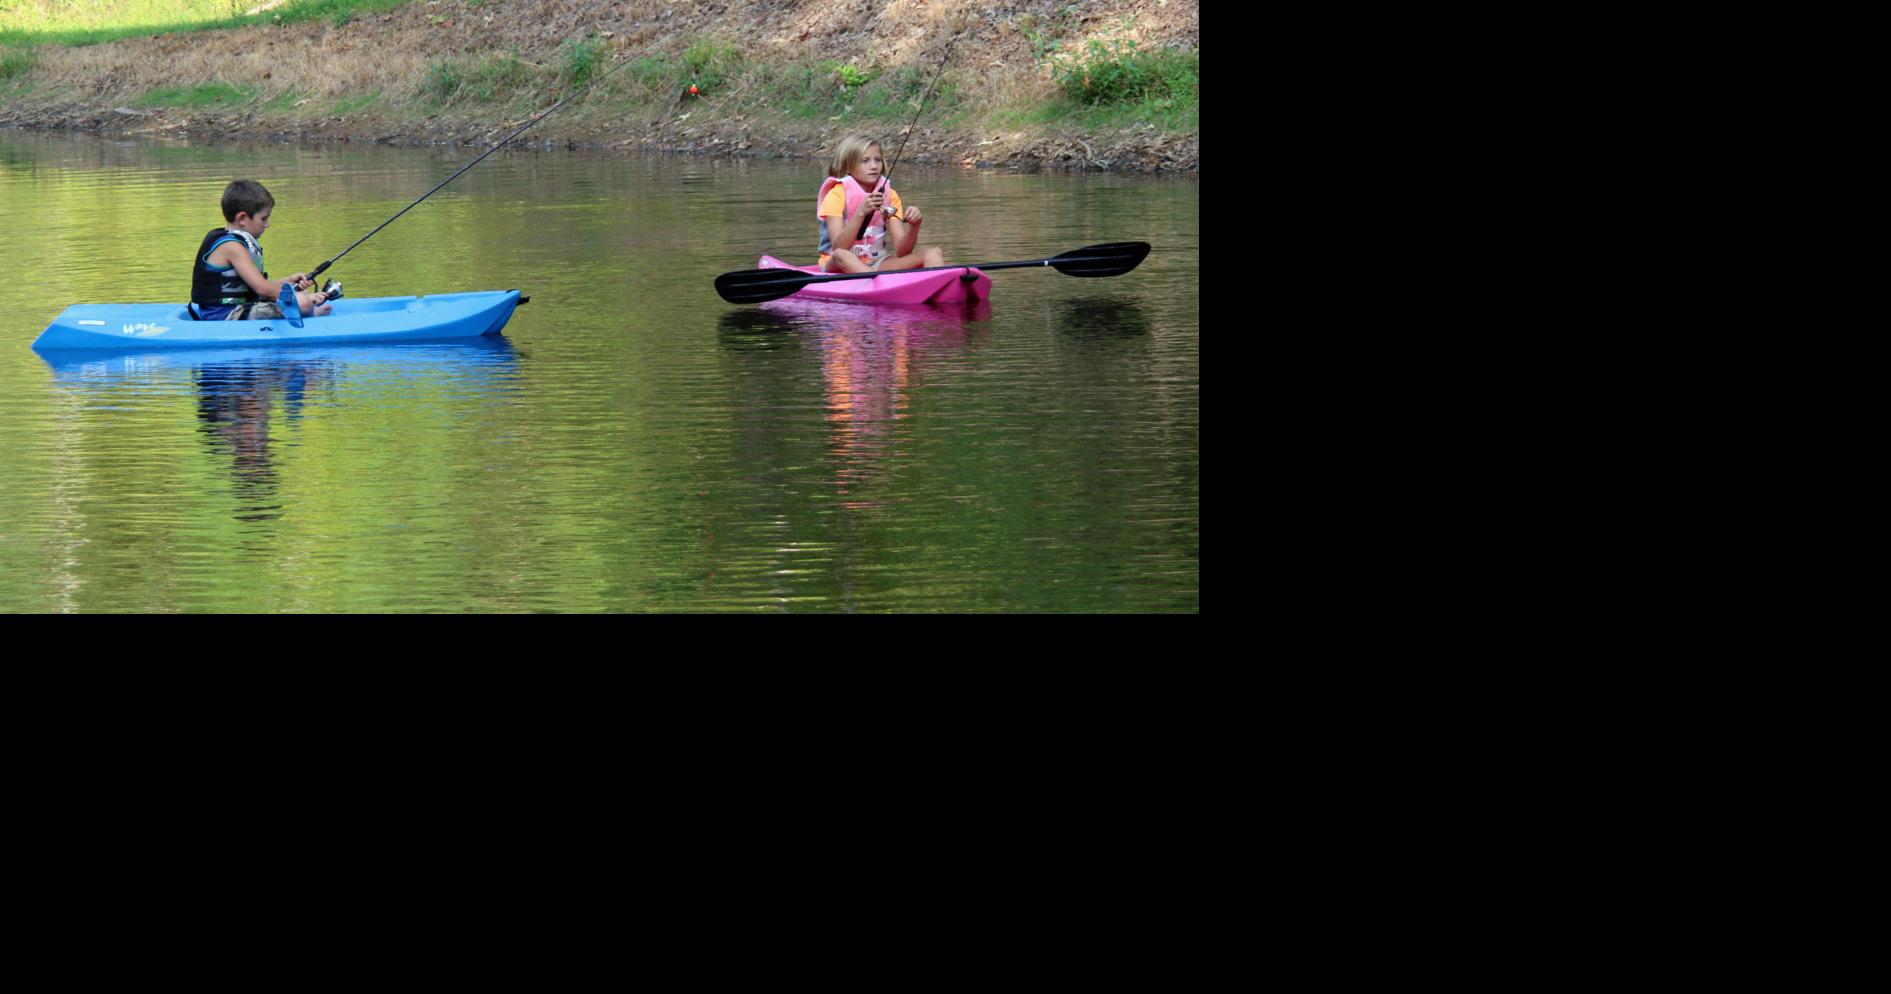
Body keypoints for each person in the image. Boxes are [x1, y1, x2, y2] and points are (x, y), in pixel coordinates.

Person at [190, 179, 331, 320]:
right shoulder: (232, 247)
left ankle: (305, 306)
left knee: (302, 294)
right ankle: (310, 312)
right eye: (263, 219)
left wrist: (288, 282)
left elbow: (253, 288)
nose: (267, 224)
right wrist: (295, 297)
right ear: (243, 219)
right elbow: (262, 289)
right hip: (225, 315)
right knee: (303, 302)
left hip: (240, 307)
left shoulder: (237, 243)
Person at [817, 135, 946, 274]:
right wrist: (861, 213)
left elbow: (902, 251)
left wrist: (914, 226)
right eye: (864, 161)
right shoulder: (836, 195)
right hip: (838, 264)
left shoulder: (890, 195)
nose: (874, 166)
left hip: (878, 262)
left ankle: (938, 289)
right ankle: (876, 284)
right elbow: (839, 247)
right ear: (847, 166)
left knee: (934, 253)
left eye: (877, 160)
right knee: (841, 255)